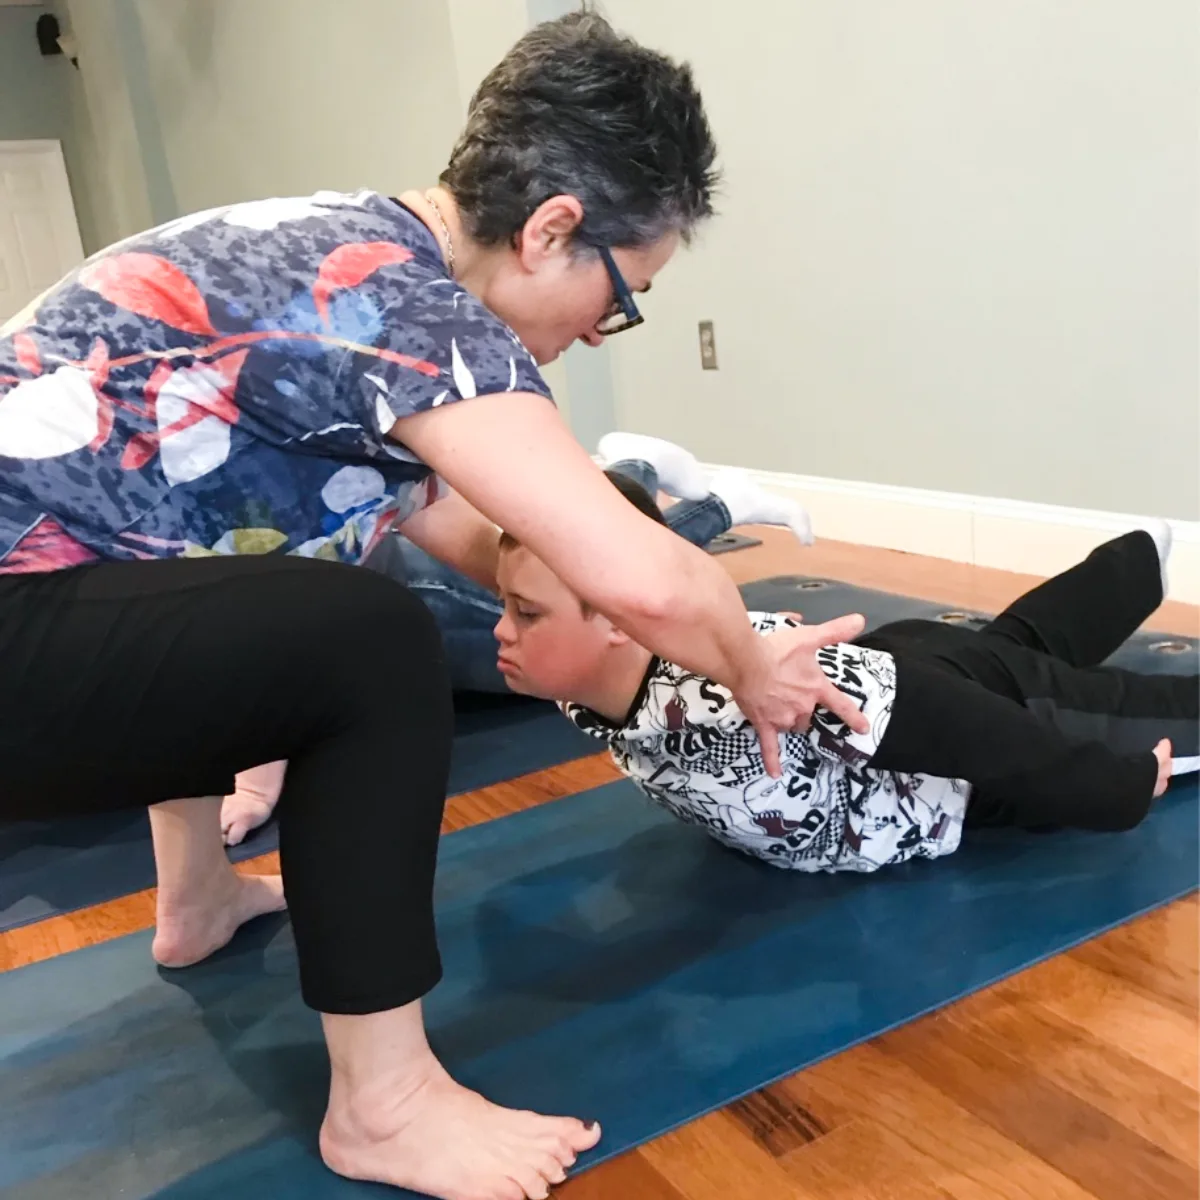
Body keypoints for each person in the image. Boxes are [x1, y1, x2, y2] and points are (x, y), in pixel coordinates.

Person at [0, 14, 869, 1200]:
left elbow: (472, 532)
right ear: (551, 229)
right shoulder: (414, 316)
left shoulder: (353, 255)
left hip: (45, 612)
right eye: (621, 295)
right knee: (366, 643)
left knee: (233, 594)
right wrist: (752, 668)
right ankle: (386, 1107)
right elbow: (652, 578)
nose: (596, 333)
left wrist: (577, 587)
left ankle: (196, 899)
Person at [490, 473, 1197, 872]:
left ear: (621, 617)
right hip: (902, 678)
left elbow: (955, 720)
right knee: (1016, 646)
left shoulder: (731, 688)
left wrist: (1109, 786)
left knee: (1046, 685)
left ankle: (1133, 573)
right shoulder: (585, 685)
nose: (500, 630)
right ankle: (1132, 568)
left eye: (525, 612)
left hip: (955, 715)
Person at [219, 432, 816, 846]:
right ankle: (647, 471)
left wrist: (735, 637)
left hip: (406, 598)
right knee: (559, 598)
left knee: (569, 600)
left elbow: (271, 637)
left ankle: (692, 490)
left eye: (521, 613)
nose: (507, 626)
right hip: (387, 615)